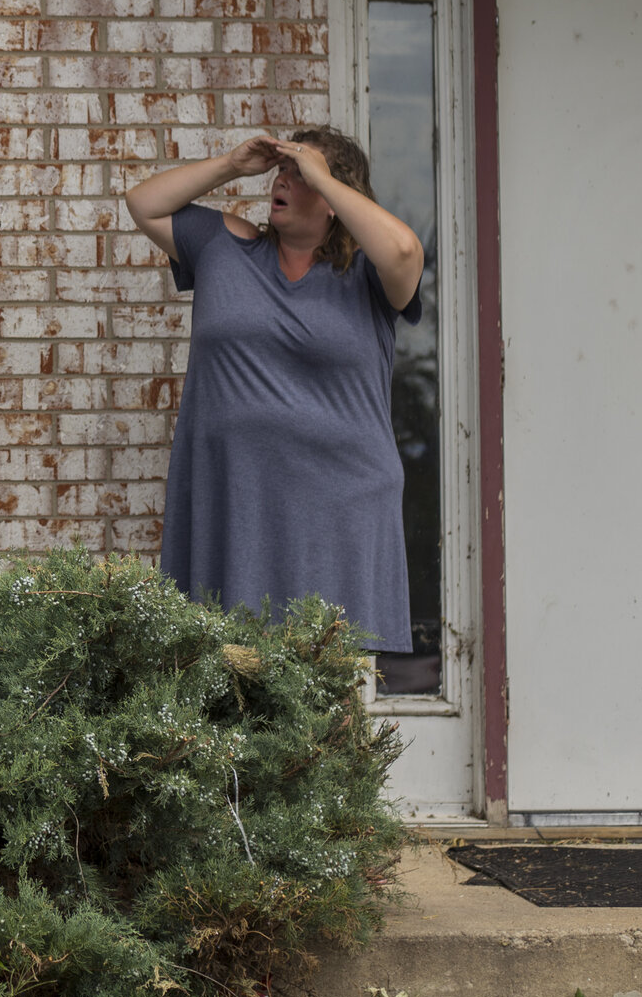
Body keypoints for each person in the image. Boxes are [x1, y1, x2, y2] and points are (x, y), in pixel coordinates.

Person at [123, 127, 426, 656]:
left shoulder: (365, 276)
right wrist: (231, 165)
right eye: (281, 171)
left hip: (339, 503)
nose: (283, 180)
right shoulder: (224, 247)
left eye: (299, 173)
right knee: (232, 672)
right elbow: (143, 203)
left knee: (319, 686)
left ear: (335, 197)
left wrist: (322, 178)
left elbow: (403, 250)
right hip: (238, 495)